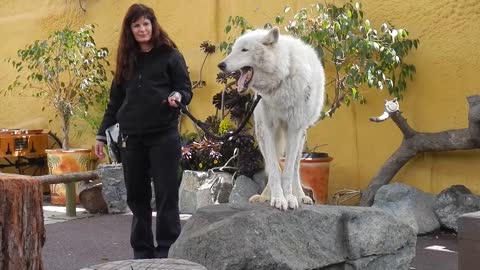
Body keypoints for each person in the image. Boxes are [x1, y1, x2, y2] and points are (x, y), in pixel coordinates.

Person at [94, 3, 192, 259]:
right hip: (131, 139)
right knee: (137, 198)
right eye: (136, 25)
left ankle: (167, 250)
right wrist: (101, 135)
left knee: (166, 194)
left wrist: (177, 95)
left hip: (163, 135)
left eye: (146, 23)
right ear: (130, 29)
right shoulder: (126, 59)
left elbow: (185, 89)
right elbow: (115, 102)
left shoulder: (170, 55)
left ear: (153, 25)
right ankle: (142, 251)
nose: (142, 29)